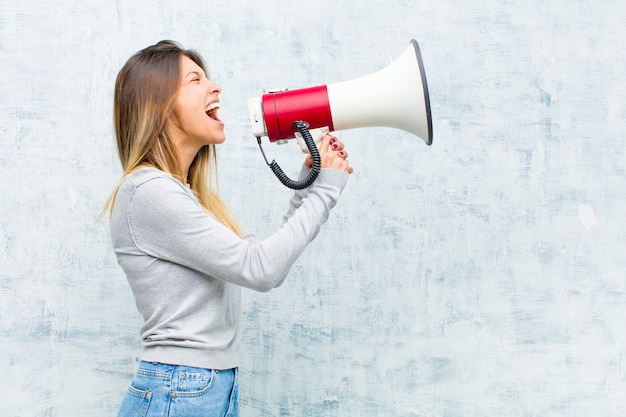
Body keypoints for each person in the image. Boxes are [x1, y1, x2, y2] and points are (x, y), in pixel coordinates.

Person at [103, 40, 352, 417]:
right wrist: (325, 192)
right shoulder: (148, 190)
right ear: (158, 104)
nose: (215, 87)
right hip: (181, 386)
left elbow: (262, 258)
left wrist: (313, 181)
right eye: (195, 79)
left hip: (201, 386)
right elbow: (261, 269)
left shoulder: (184, 195)